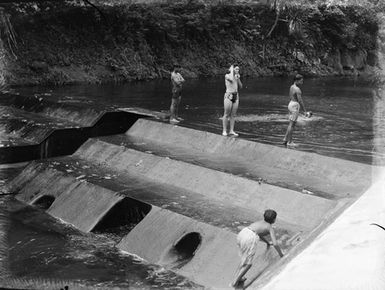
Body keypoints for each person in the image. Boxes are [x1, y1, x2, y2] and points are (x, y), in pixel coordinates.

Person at [231, 209, 284, 289]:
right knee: (248, 264)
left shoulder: (259, 222)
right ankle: (235, 282)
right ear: (274, 219)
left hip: (243, 233)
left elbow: (259, 234)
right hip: (250, 238)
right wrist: (281, 255)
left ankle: (239, 277)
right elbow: (275, 244)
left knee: (244, 260)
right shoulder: (269, 227)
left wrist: (267, 242)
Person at [283, 74, 308, 147]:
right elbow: (300, 101)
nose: (302, 82)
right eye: (301, 81)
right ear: (296, 81)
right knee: (292, 125)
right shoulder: (297, 89)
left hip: (290, 104)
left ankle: (285, 139)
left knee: (290, 124)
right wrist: (305, 111)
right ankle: (290, 142)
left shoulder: (291, 87)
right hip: (294, 106)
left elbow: (290, 96)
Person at [223, 65, 242, 136]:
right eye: (236, 69)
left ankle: (231, 130)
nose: (237, 70)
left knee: (233, 115)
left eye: (238, 69)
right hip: (229, 95)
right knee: (226, 113)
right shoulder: (227, 75)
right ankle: (224, 130)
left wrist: (238, 79)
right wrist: (232, 71)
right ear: (232, 69)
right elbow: (231, 80)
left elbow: (241, 86)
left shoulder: (237, 76)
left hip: (236, 95)